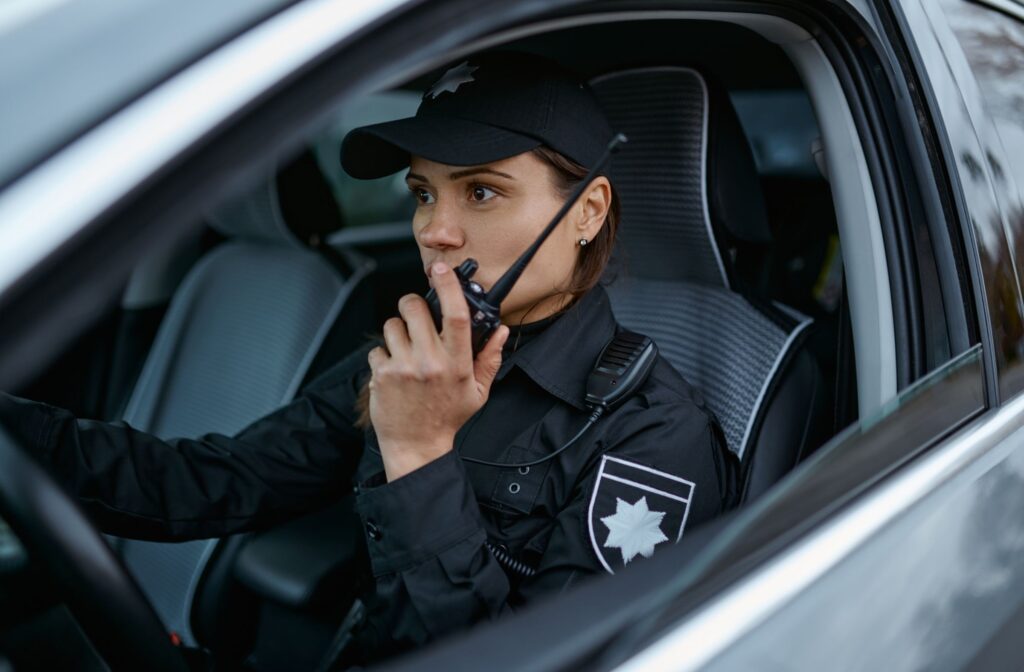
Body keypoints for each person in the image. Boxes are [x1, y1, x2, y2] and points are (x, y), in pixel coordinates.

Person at [0, 51, 736, 664]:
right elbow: (206, 482)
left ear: (588, 211)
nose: (434, 231)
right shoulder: (412, 358)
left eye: (481, 191)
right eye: (422, 193)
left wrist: (419, 453)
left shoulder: (653, 439)